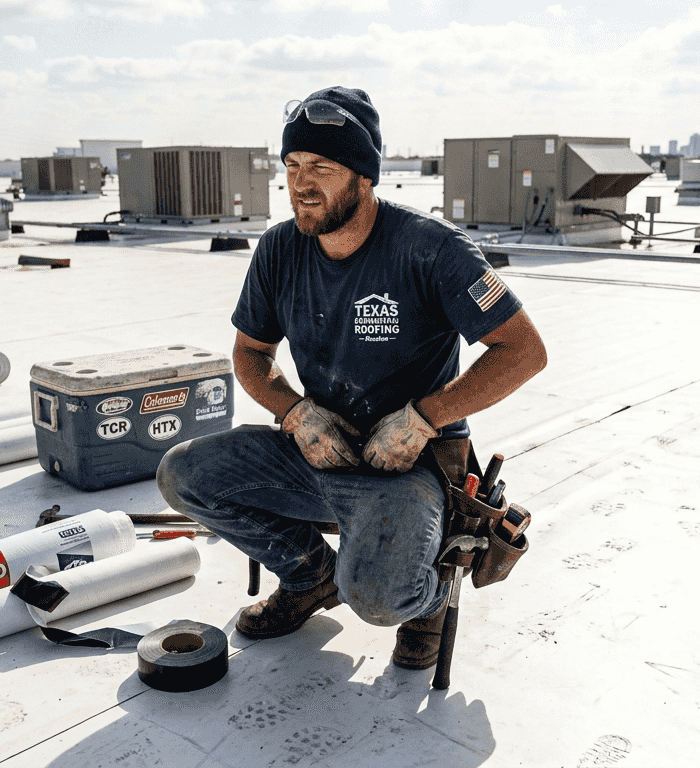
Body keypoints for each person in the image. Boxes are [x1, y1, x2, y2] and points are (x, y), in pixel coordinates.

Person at [157, 86, 546, 669]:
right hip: (322, 449)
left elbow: (524, 350)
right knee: (182, 474)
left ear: (364, 176)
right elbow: (250, 355)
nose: (301, 182)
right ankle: (310, 577)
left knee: (380, 601)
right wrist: (295, 413)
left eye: (322, 167)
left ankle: (428, 597)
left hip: (409, 465)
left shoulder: (431, 250)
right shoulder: (280, 249)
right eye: (291, 165)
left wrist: (422, 419)